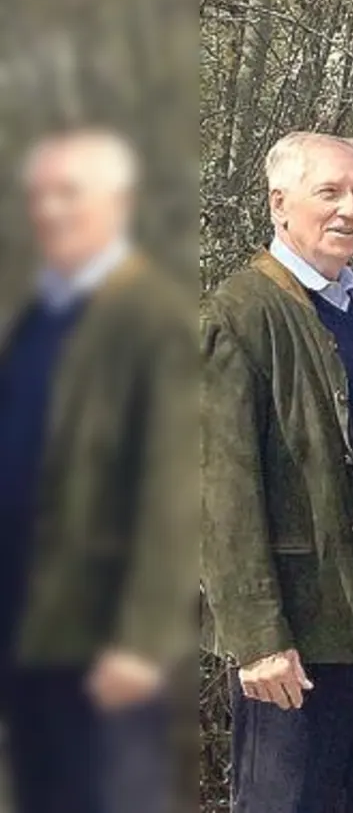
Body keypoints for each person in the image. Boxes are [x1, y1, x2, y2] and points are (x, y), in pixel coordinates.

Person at [201, 131, 353, 812]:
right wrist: (258, 639)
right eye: (328, 192)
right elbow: (221, 493)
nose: (349, 211)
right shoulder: (241, 315)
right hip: (296, 629)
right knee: (287, 800)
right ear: (279, 203)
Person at [0, 129, 192, 812]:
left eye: (70, 194)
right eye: (41, 195)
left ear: (118, 203)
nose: (50, 210)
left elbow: (174, 490)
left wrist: (141, 642)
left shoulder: (152, 320)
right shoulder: (37, 314)